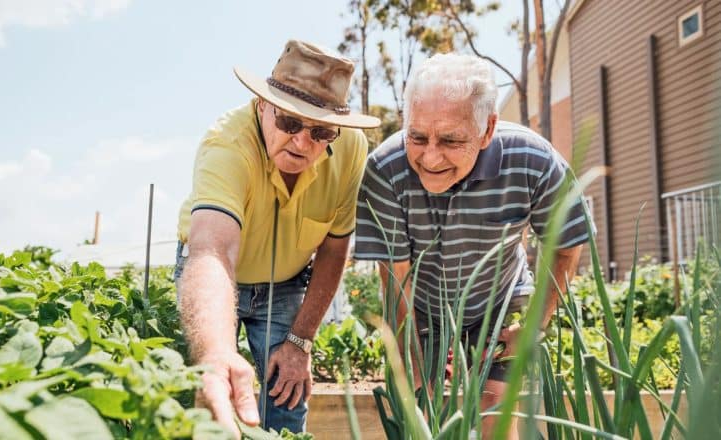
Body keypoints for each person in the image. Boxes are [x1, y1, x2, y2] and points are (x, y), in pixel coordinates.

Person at [354, 53, 590, 439]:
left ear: (487, 129)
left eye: (450, 140)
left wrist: (532, 328)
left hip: (498, 302)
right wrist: (416, 367)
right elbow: (396, 279)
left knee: (494, 406)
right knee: (421, 412)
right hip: (421, 305)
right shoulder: (386, 169)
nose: (429, 157)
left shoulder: (533, 160)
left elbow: (565, 248)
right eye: (417, 136)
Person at [174, 40, 380, 438]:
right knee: (211, 395)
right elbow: (212, 250)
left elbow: (335, 248)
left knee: (286, 398)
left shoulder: (352, 149)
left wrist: (300, 342)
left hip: (284, 284)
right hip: (219, 277)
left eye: (320, 131)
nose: (302, 143)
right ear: (262, 106)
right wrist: (216, 352)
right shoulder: (227, 146)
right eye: (289, 123)